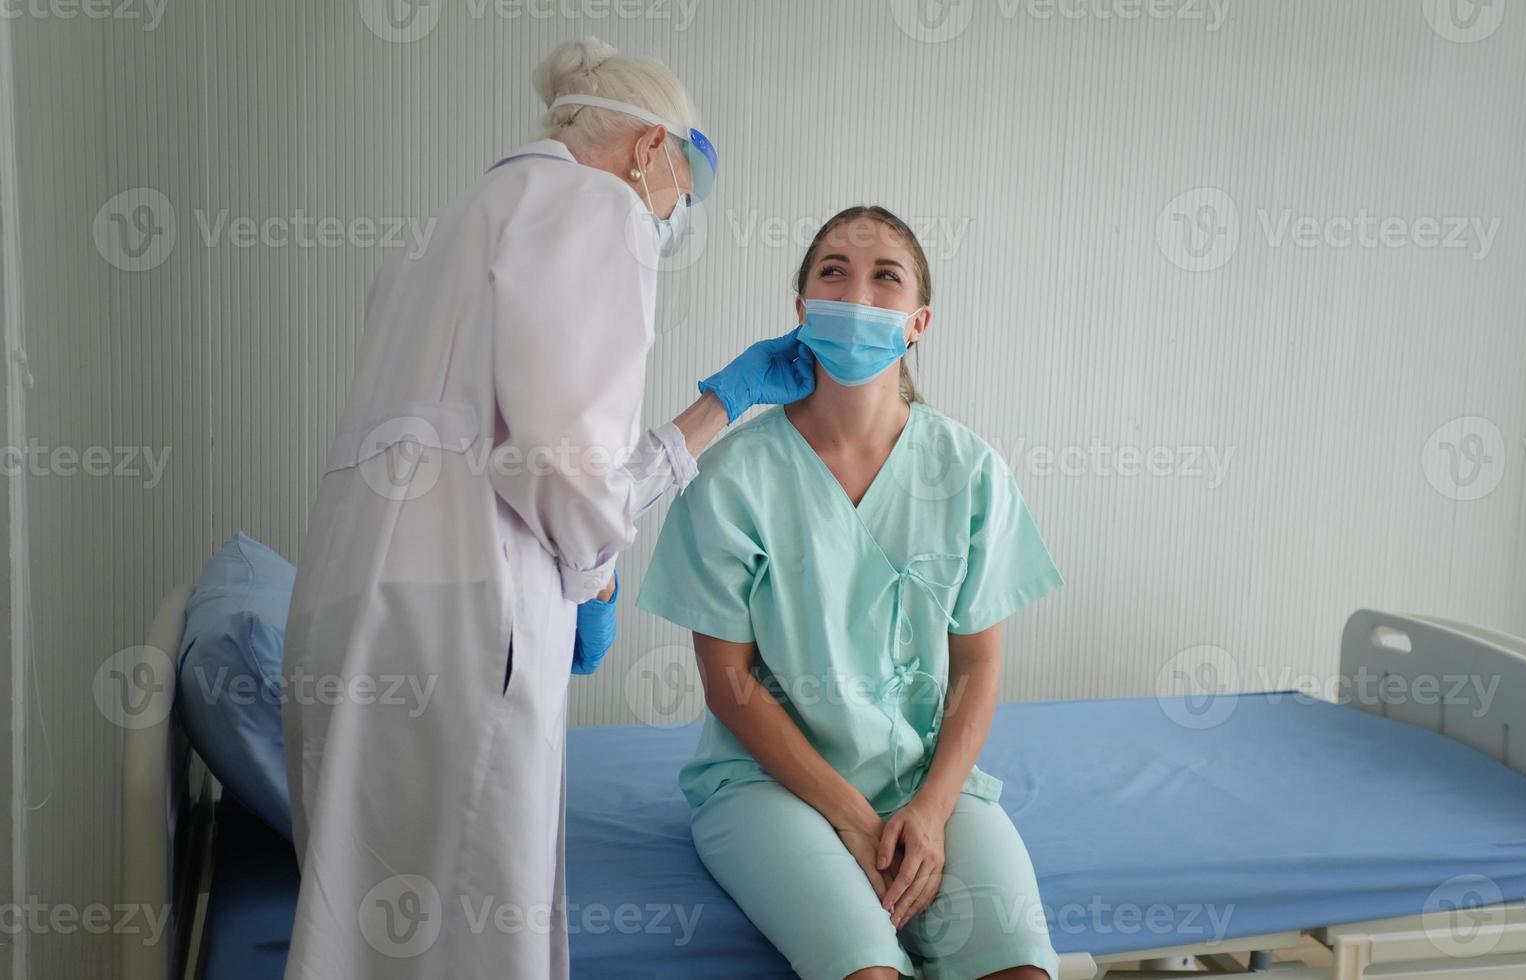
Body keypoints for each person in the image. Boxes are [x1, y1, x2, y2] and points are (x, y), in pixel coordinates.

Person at [280, 38, 814, 979]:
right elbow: (563, 465)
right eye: (681, 190)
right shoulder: (598, 204)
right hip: (466, 616)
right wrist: (597, 576)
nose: (674, 216)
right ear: (652, 148)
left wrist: (716, 407)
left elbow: (508, 438)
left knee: (366, 933)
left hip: (350, 609)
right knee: (473, 934)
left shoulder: (448, 224)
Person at [637, 206, 1063, 979]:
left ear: (917, 322)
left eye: (885, 277)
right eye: (833, 272)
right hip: (769, 787)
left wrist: (930, 811)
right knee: (869, 972)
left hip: (925, 779)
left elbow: (977, 666)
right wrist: (855, 821)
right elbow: (729, 685)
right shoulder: (735, 476)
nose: (857, 295)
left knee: (1023, 970)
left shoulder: (967, 469)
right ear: (801, 312)